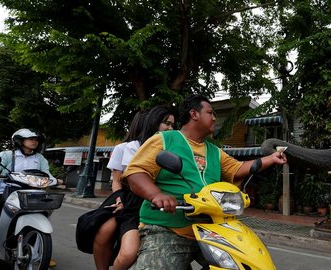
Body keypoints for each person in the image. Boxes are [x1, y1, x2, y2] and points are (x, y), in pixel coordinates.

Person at [123, 94, 287, 269]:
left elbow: (237, 169)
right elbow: (136, 172)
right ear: (194, 114)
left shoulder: (215, 151)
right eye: (210, 112)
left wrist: (271, 158)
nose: (214, 117)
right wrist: (157, 195)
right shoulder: (164, 139)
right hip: (167, 228)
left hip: (210, 229)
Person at [93, 106, 175, 270]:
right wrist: (119, 200)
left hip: (158, 204)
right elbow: (121, 181)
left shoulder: (172, 149)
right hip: (129, 199)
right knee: (104, 232)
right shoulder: (128, 148)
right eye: (166, 123)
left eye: (173, 125)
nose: (170, 128)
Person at [0, 128, 58, 267]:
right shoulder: (7, 155)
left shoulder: (40, 158)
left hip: (32, 192)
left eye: (36, 140)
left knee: (43, 211)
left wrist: (55, 180)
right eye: (31, 139)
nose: (34, 142)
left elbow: (46, 174)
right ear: (20, 141)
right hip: (6, 190)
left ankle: (39, 250)